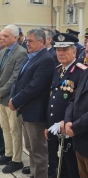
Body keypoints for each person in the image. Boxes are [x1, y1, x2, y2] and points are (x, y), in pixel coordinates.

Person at [9, 29, 54, 178]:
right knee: (30, 148)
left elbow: (34, 86)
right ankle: (34, 174)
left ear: (41, 42)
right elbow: (19, 80)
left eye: (30, 41)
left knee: (38, 151)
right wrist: (13, 97)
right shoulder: (32, 57)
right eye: (26, 40)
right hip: (26, 110)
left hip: (36, 113)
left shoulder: (45, 59)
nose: (26, 43)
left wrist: (16, 101)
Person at [45, 33, 82, 178]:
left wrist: (66, 122)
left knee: (70, 167)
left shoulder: (81, 72)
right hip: (54, 128)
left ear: (74, 51)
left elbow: (78, 103)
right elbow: (52, 100)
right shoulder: (57, 70)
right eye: (58, 50)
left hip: (69, 128)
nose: (61, 53)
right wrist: (47, 125)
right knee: (54, 164)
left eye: (65, 50)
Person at [0, 24, 28, 174]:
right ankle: (8, 154)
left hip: (11, 98)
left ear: (15, 37)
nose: (3, 38)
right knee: (5, 127)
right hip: (0, 96)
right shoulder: (3, 51)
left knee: (14, 129)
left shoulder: (21, 53)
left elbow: (15, 76)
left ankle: (17, 159)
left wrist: (2, 91)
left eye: (6, 36)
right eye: (3, 36)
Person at [65, 68, 88, 178]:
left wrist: (75, 127)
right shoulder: (85, 73)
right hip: (79, 142)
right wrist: (68, 120)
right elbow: (74, 99)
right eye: (87, 52)